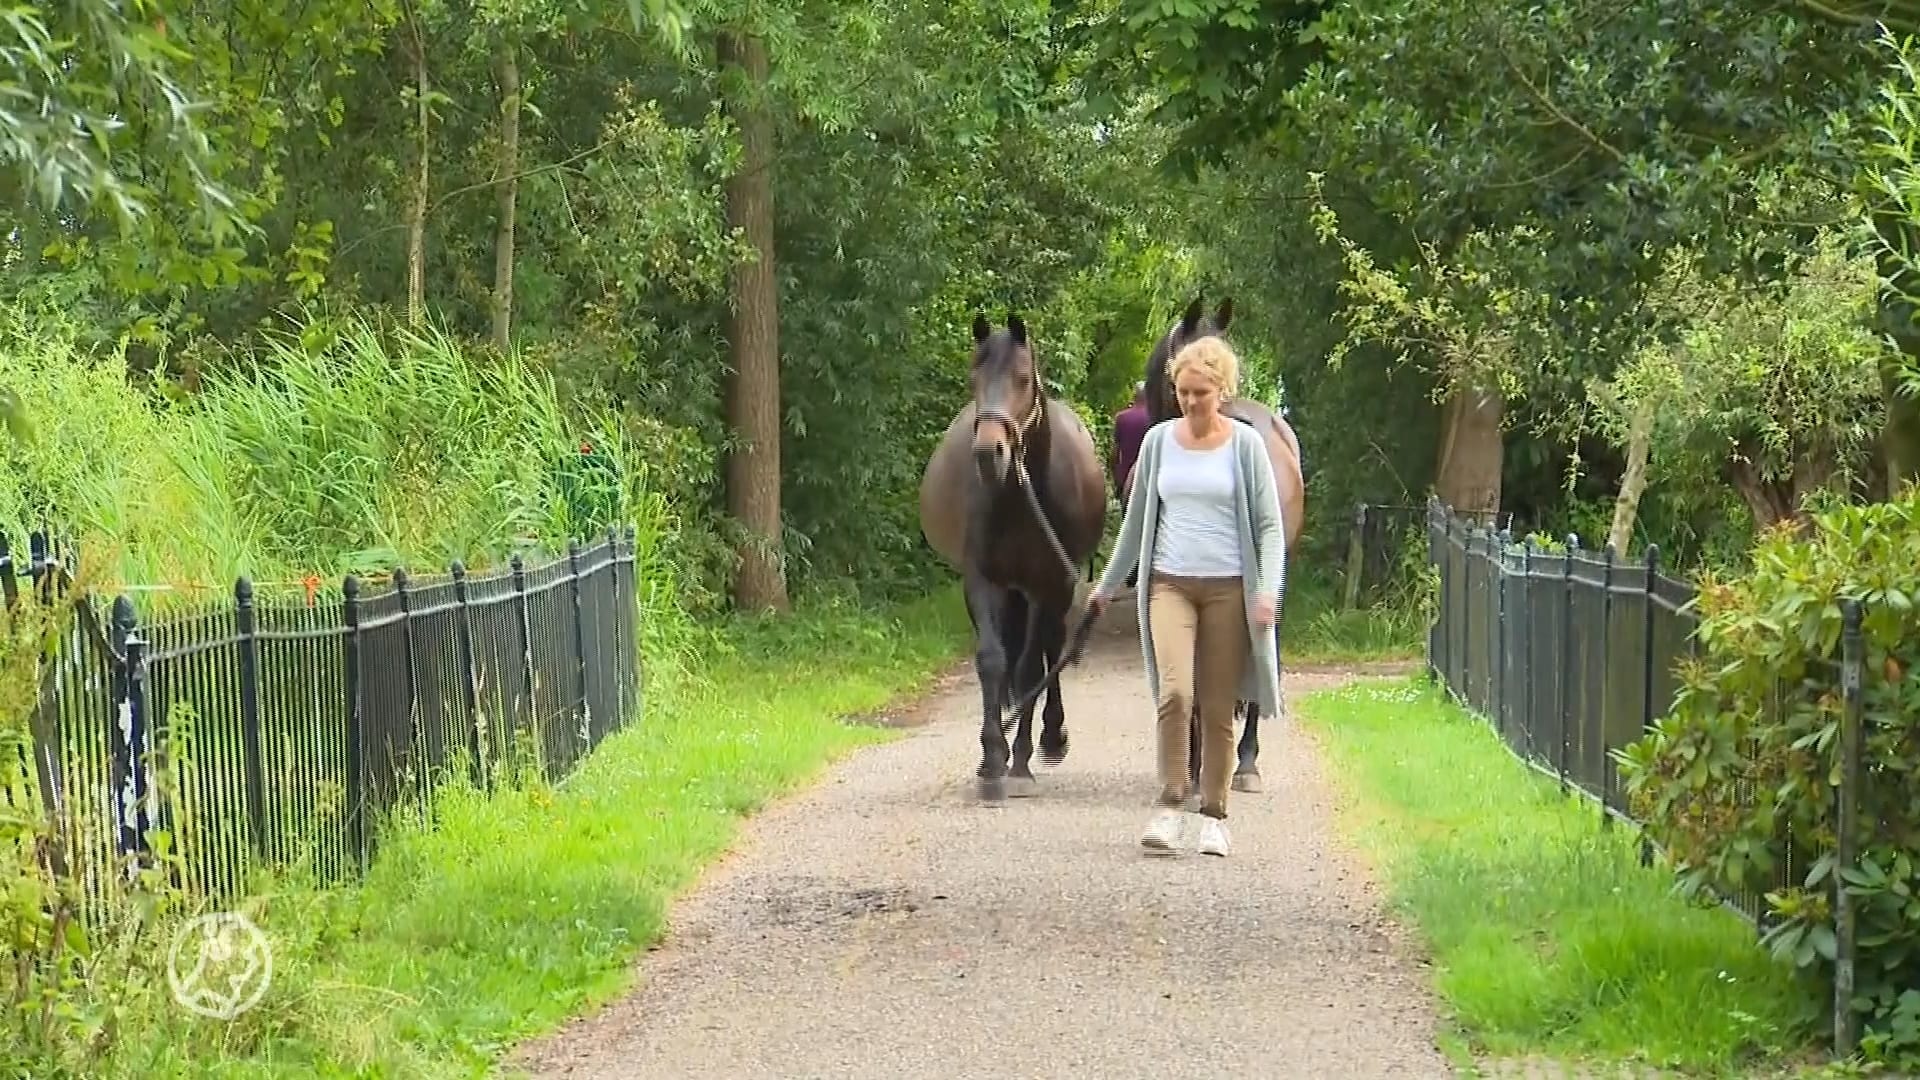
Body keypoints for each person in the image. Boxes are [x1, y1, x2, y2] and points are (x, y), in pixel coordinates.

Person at [1087, 336, 1286, 858]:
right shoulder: (1157, 443)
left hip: (1228, 589)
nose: (1191, 402)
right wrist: (1106, 586)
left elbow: (1270, 528)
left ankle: (1214, 816)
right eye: (1183, 392)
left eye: (1201, 392)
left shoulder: (1245, 446)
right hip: (1169, 584)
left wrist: (1267, 590)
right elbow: (1135, 525)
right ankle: (1170, 804)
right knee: (1175, 693)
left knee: (1218, 707)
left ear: (1222, 390)